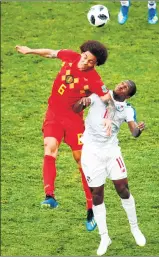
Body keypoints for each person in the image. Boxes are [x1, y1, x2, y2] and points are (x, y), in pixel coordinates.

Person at [15, 40, 109, 231]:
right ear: (81, 53)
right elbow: (50, 52)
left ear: (95, 64)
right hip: (54, 115)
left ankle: (91, 208)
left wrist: (94, 104)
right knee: (49, 148)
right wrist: (30, 50)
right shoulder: (70, 56)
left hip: (74, 122)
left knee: (82, 161)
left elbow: (107, 100)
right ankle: (50, 196)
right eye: (85, 57)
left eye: (90, 62)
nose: (85, 62)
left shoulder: (95, 80)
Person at [74, 80, 146, 255]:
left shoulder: (127, 109)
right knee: (97, 194)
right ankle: (104, 236)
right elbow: (76, 109)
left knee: (123, 189)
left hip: (112, 152)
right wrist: (82, 103)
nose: (121, 86)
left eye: (125, 87)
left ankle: (135, 229)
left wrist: (138, 129)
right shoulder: (99, 95)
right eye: (121, 83)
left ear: (127, 95)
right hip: (91, 153)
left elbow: (134, 132)